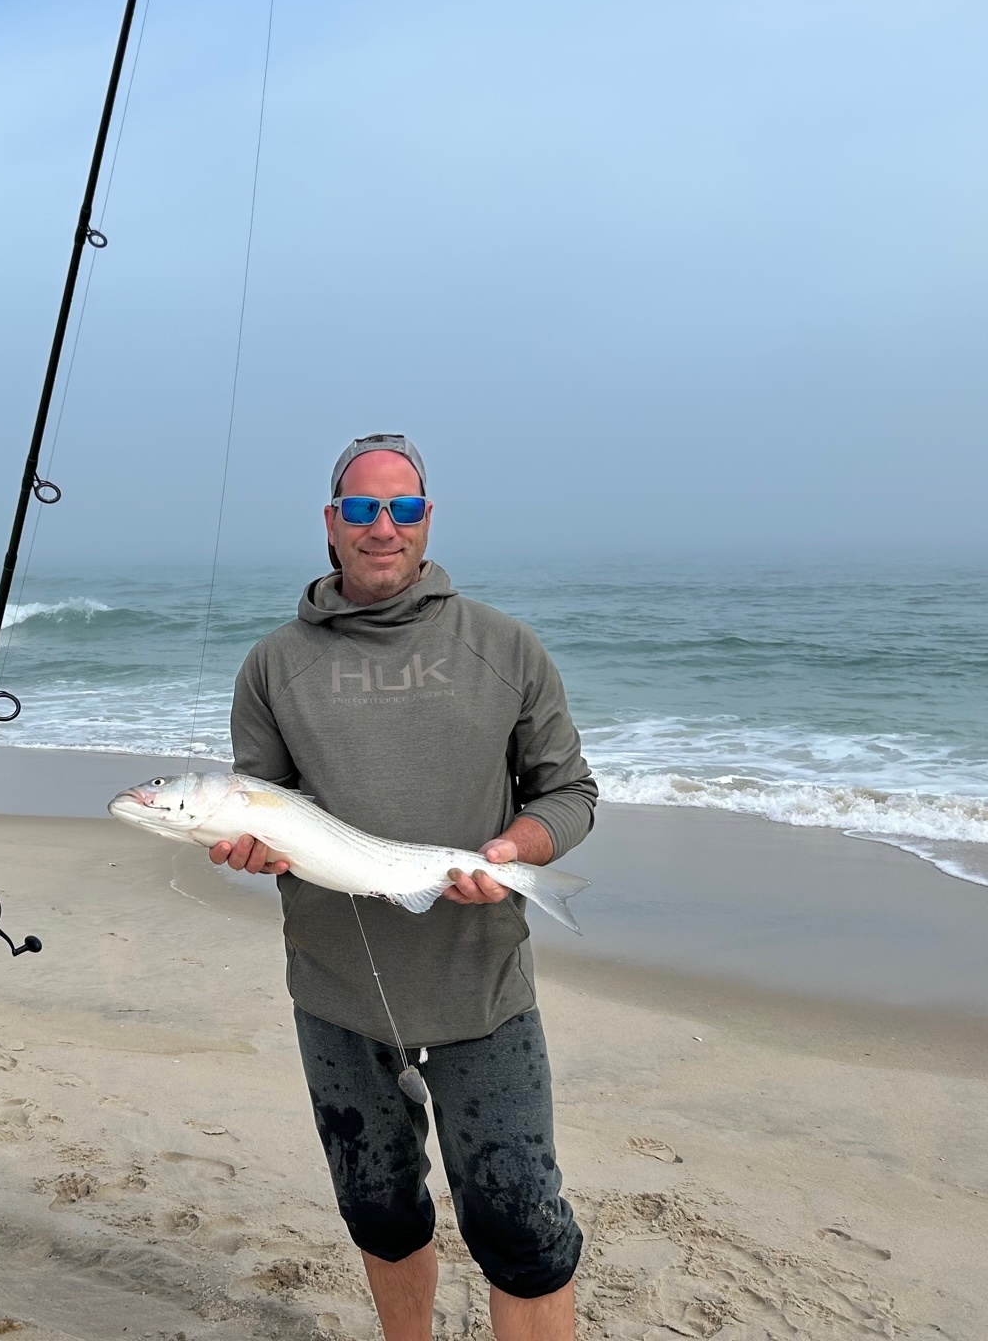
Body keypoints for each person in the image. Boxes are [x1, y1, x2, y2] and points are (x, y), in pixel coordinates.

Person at [216, 434, 598, 1341]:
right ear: (331, 524)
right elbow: (264, 808)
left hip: (482, 985)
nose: (382, 527)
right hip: (338, 991)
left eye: (402, 508)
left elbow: (569, 792)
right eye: (361, 509)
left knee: (523, 1232)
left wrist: (515, 849)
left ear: (427, 520)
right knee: (383, 1221)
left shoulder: (505, 646)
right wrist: (249, 848)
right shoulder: (274, 665)